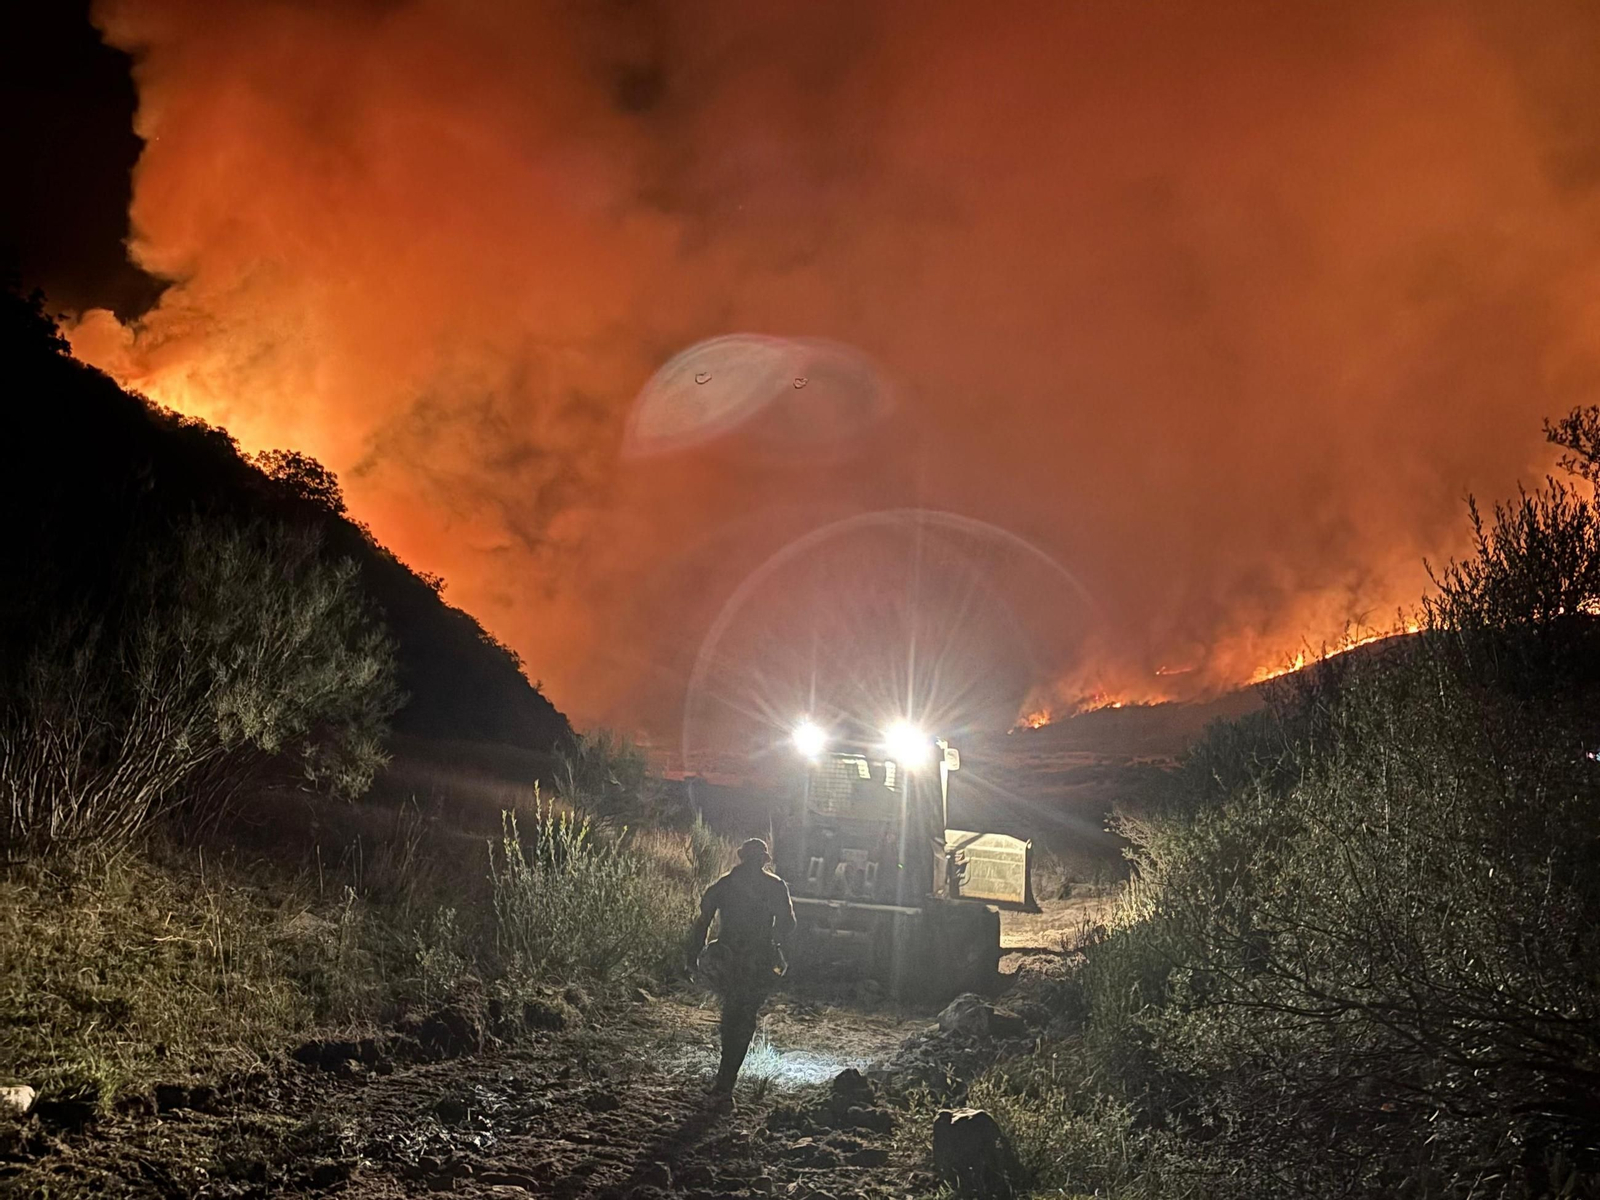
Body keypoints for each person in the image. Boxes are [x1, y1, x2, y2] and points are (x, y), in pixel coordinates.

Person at [687, 837, 797, 1096]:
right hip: (759, 961)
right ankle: (729, 1075)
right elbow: (788, 924)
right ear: (762, 860)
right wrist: (778, 948)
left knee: (732, 1013)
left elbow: (702, 921)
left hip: (728, 959)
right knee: (744, 1016)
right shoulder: (775, 886)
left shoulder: (724, 885)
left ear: (742, 857)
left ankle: (726, 1075)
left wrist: (692, 958)